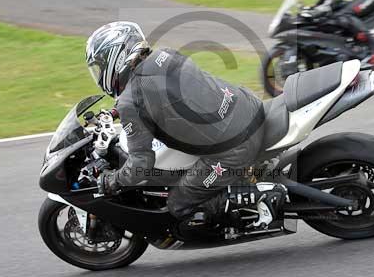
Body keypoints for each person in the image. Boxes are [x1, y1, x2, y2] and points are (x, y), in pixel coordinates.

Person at [84, 21, 286, 229]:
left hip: (235, 147)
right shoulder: (165, 55)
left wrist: (113, 181)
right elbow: (170, 96)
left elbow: (141, 165)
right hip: (248, 106)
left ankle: (260, 197)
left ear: (115, 58)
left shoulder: (130, 102)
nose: (99, 75)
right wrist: (118, 111)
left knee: (177, 203)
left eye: (100, 67)